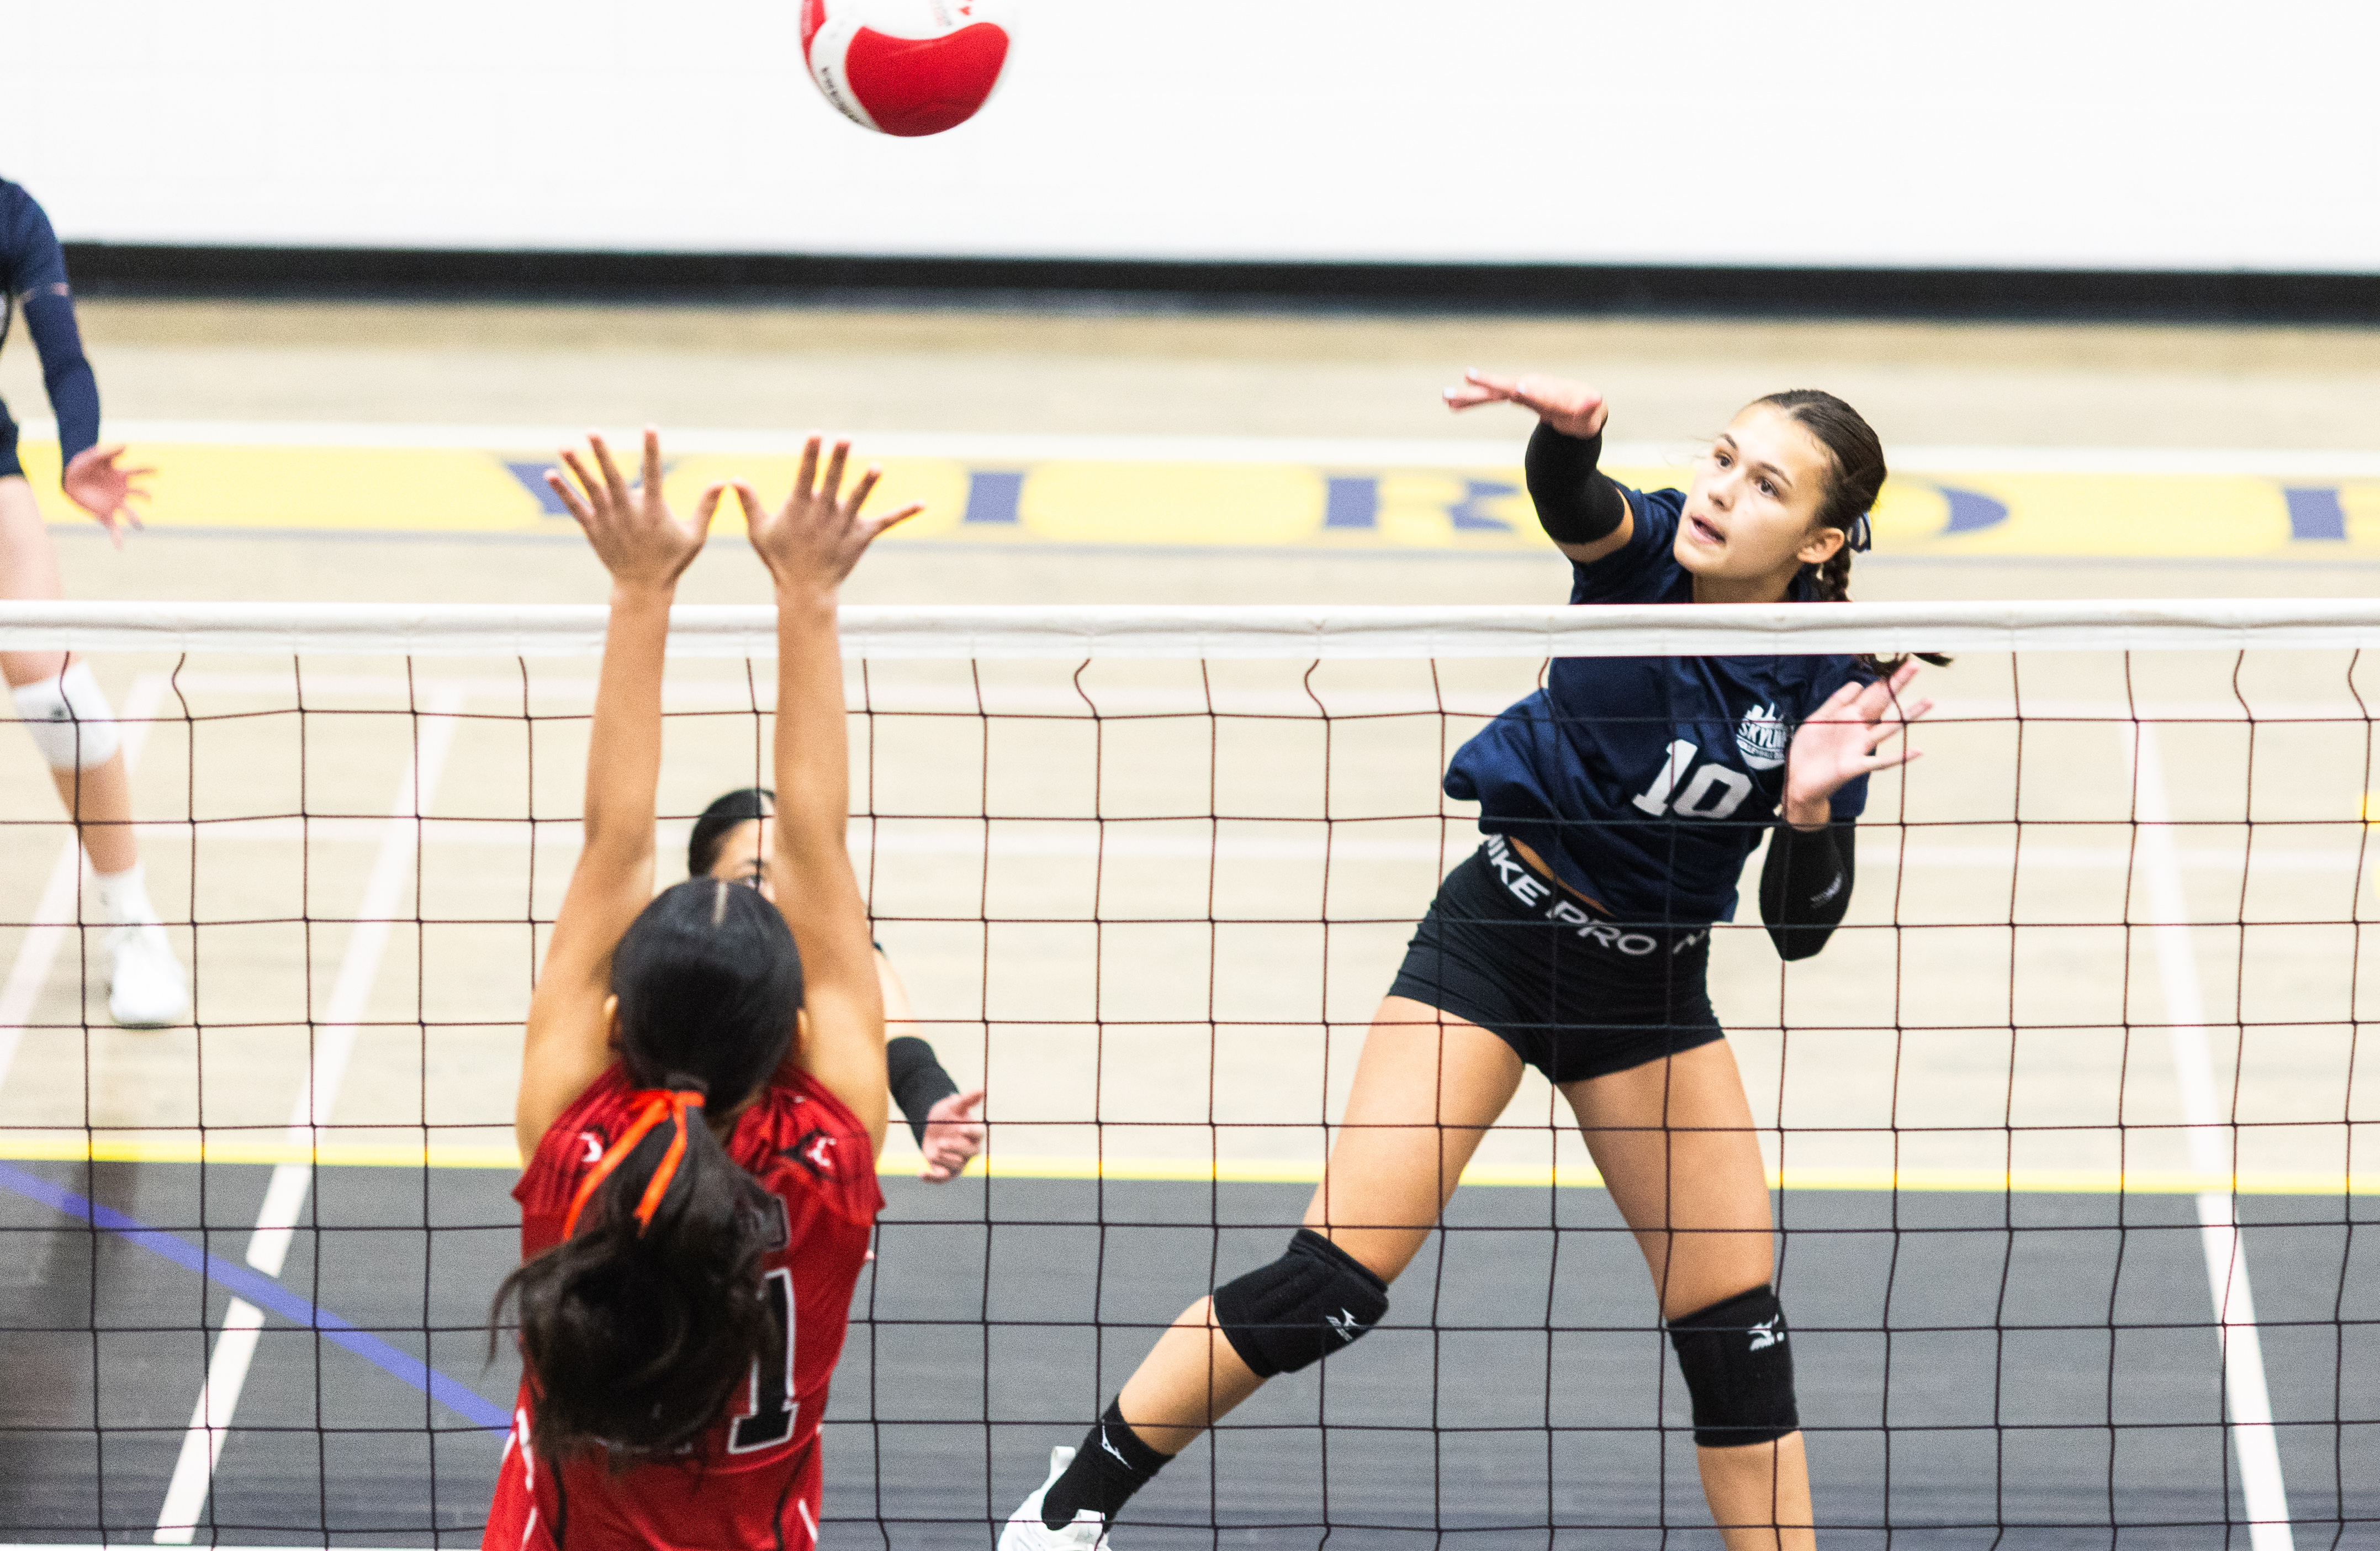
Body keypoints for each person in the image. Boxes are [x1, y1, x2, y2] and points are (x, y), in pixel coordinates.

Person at [1001, 378, 1934, 1551]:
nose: (1719, 493)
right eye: (1720, 458)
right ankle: (1069, 1503)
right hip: (1498, 942)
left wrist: (1806, 808)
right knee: (1331, 1286)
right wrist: (1568, 439)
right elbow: (1572, 501)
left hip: (1646, 993)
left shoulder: (1825, 678)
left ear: (1817, 542)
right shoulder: (1646, 555)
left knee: (1737, 1338)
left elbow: (1800, 931)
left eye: (1763, 486)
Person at [482, 431, 918, 1550]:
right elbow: (815, 840)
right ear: (799, 1030)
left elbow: (614, 842)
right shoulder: (833, 1151)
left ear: (613, 1022)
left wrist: (639, 591)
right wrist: (808, 597)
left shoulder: (574, 1140)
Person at [0, 178, 181, 1025]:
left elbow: (63, 358)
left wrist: (79, 448)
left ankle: (134, 926)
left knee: (57, 694)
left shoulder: (12, 215)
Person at [689, 786, 986, 1181]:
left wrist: (931, 1106)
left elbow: (903, 1047)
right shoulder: (666, 961)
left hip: (801, 1182)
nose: (777, 898)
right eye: (753, 878)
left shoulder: (843, 959)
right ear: (701, 886)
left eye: (793, 878)